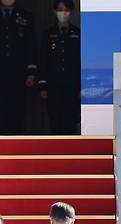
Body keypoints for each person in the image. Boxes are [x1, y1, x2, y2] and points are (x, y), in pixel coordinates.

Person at [0, 0, 37, 135]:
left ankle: (16, 147)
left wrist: (31, 73)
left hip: (18, 75)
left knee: (16, 111)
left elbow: (31, 46)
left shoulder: (26, 16)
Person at [38, 0, 81, 135]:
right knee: (54, 118)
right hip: (53, 85)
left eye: (66, 10)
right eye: (60, 10)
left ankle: (71, 152)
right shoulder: (48, 34)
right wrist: (43, 86)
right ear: (55, 11)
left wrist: (81, 86)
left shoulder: (77, 33)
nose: (63, 13)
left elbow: (79, 61)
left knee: (70, 118)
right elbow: (43, 60)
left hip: (71, 85)